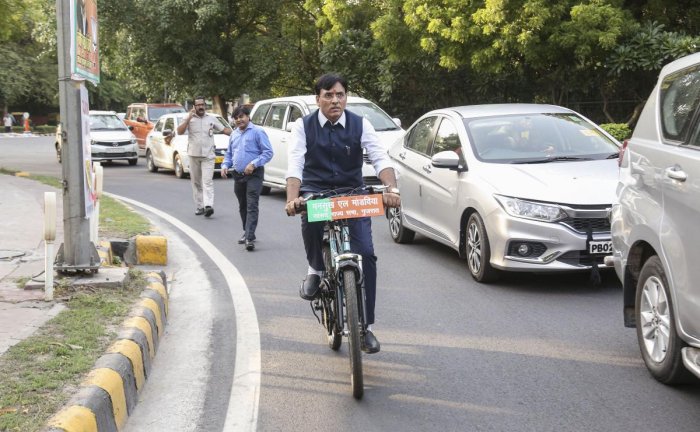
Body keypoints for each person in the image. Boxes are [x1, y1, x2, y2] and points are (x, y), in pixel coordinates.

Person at [284, 73, 401, 354]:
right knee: (310, 220)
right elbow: (295, 162)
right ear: (318, 99)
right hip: (316, 190)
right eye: (328, 95)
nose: (335, 100)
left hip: (352, 194)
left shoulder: (361, 124)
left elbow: (379, 157)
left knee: (367, 254)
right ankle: (315, 268)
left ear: (345, 97)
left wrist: (391, 188)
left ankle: (367, 328)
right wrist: (292, 198)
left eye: (340, 95)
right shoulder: (303, 126)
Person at [221, 106, 273, 251]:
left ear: (248, 117)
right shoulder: (234, 135)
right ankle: (247, 231)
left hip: (254, 175)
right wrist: (225, 165)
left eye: (242, 116)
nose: (239, 120)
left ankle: (249, 237)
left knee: (251, 205)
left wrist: (254, 163)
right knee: (243, 205)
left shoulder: (258, 132)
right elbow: (229, 154)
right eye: (236, 118)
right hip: (238, 175)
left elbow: (268, 152)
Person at [177, 96, 231, 217]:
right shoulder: (189, 119)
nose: (201, 107)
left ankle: (208, 206)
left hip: (208, 155)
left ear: (205, 106)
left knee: (207, 181)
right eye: (198, 105)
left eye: (202, 104)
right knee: (196, 183)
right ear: (194, 107)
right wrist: (187, 119)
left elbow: (224, 130)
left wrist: (237, 133)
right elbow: (179, 131)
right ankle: (199, 206)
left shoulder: (211, 118)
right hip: (193, 155)